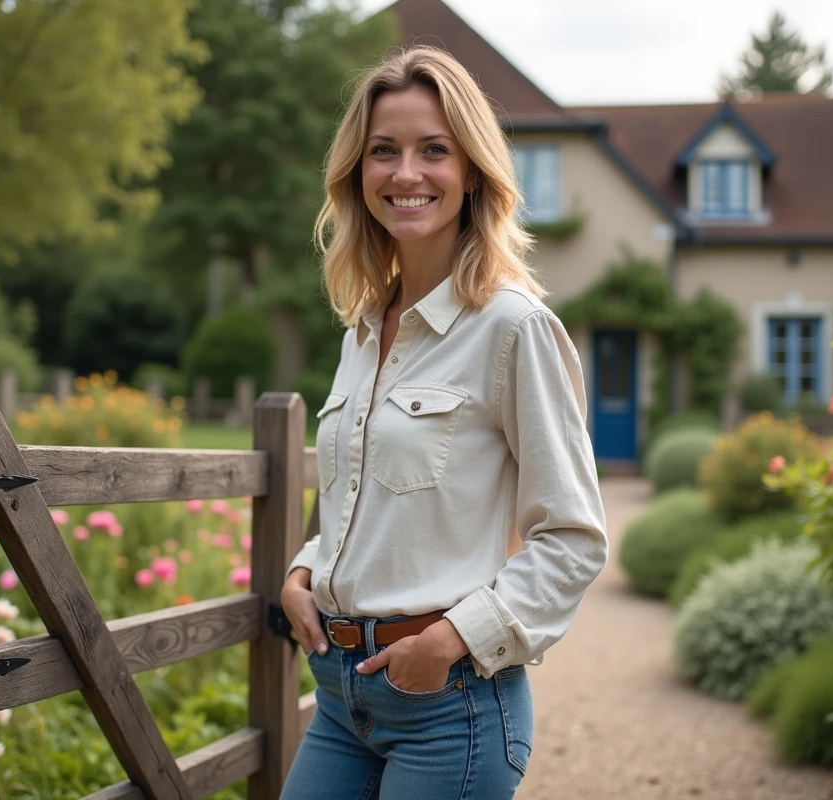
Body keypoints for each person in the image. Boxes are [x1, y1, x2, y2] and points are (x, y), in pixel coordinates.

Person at [278, 45, 608, 800]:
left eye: (435, 150)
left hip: (449, 705)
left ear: (472, 172)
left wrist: (452, 641)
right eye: (383, 152)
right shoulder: (363, 327)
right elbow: (365, 494)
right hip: (339, 699)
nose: (406, 174)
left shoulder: (514, 328)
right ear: (356, 175)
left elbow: (574, 537)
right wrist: (305, 568)